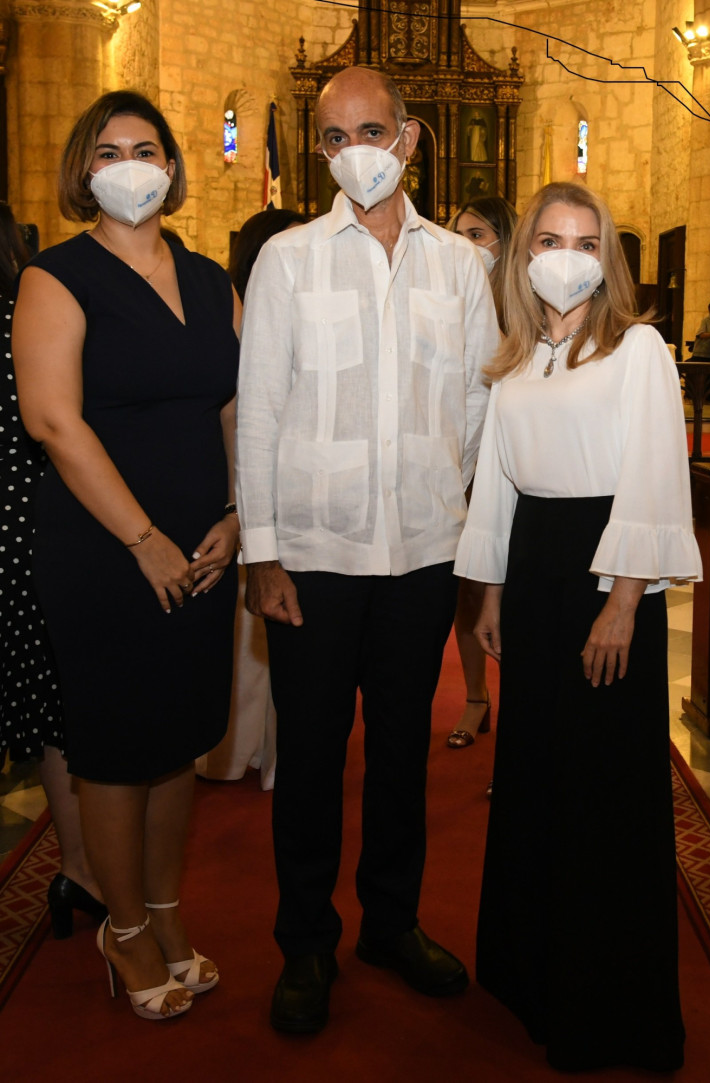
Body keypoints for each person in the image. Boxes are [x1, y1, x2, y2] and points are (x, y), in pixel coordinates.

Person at [236, 65, 499, 1034]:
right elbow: (259, 413)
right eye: (336, 136)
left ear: (410, 139)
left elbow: (476, 400)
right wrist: (263, 554)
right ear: (320, 151)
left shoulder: (458, 267)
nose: (358, 152)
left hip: (422, 555)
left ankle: (390, 923)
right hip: (312, 556)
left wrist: (448, 493)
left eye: (373, 131)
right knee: (307, 760)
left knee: (400, 758)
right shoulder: (289, 261)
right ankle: (305, 942)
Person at [454, 181, 701, 1073]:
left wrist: (624, 600)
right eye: (551, 239)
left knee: (604, 785)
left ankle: (609, 1007)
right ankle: (533, 975)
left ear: (608, 259)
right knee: (536, 773)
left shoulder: (637, 348)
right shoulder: (515, 359)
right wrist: (487, 596)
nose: (569, 255)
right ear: (524, 256)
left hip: (607, 573)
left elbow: (652, 474)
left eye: (587, 242)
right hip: (534, 576)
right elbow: (498, 487)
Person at [13, 91, 240, 1020]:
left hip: (205, 546)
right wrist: (142, 537)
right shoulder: (55, 277)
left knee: (180, 736)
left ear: (174, 165)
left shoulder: (212, 278)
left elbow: (235, 407)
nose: (131, 165)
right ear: (84, 169)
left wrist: (238, 510)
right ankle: (122, 928)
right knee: (115, 747)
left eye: (147, 148)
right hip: (106, 547)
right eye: (110, 151)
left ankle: (166, 912)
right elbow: (53, 420)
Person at [0, 201, 107, 938]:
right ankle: (81, 870)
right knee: (55, 717)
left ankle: (81, 870)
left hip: (23, 534)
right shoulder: (35, 304)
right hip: (33, 532)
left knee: (49, 712)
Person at [197, 207, 306, 789]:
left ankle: (273, 748)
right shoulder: (235, 307)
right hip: (242, 476)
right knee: (245, 638)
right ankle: (229, 750)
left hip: (301, 485)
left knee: (280, 641)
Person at [446, 197, 517, 753]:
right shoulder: (448, 297)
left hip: (515, 465)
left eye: (478, 234)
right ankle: (475, 696)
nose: (466, 245)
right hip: (461, 461)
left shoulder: (528, 305)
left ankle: (519, 721)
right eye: (458, 234)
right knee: (467, 590)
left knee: (514, 595)